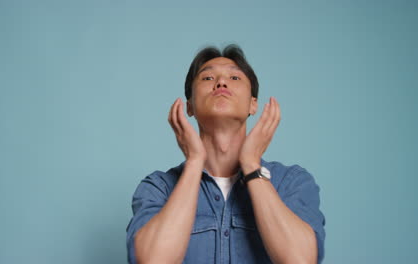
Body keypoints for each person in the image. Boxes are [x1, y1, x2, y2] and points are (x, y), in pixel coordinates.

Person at [126, 44, 326, 264]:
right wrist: (194, 162)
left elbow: (301, 260)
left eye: (235, 78)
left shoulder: (291, 182)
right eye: (208, 78)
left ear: (253, 104)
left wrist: (251, 165)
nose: (221, 82)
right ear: (189, 106)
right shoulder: (158, 187)